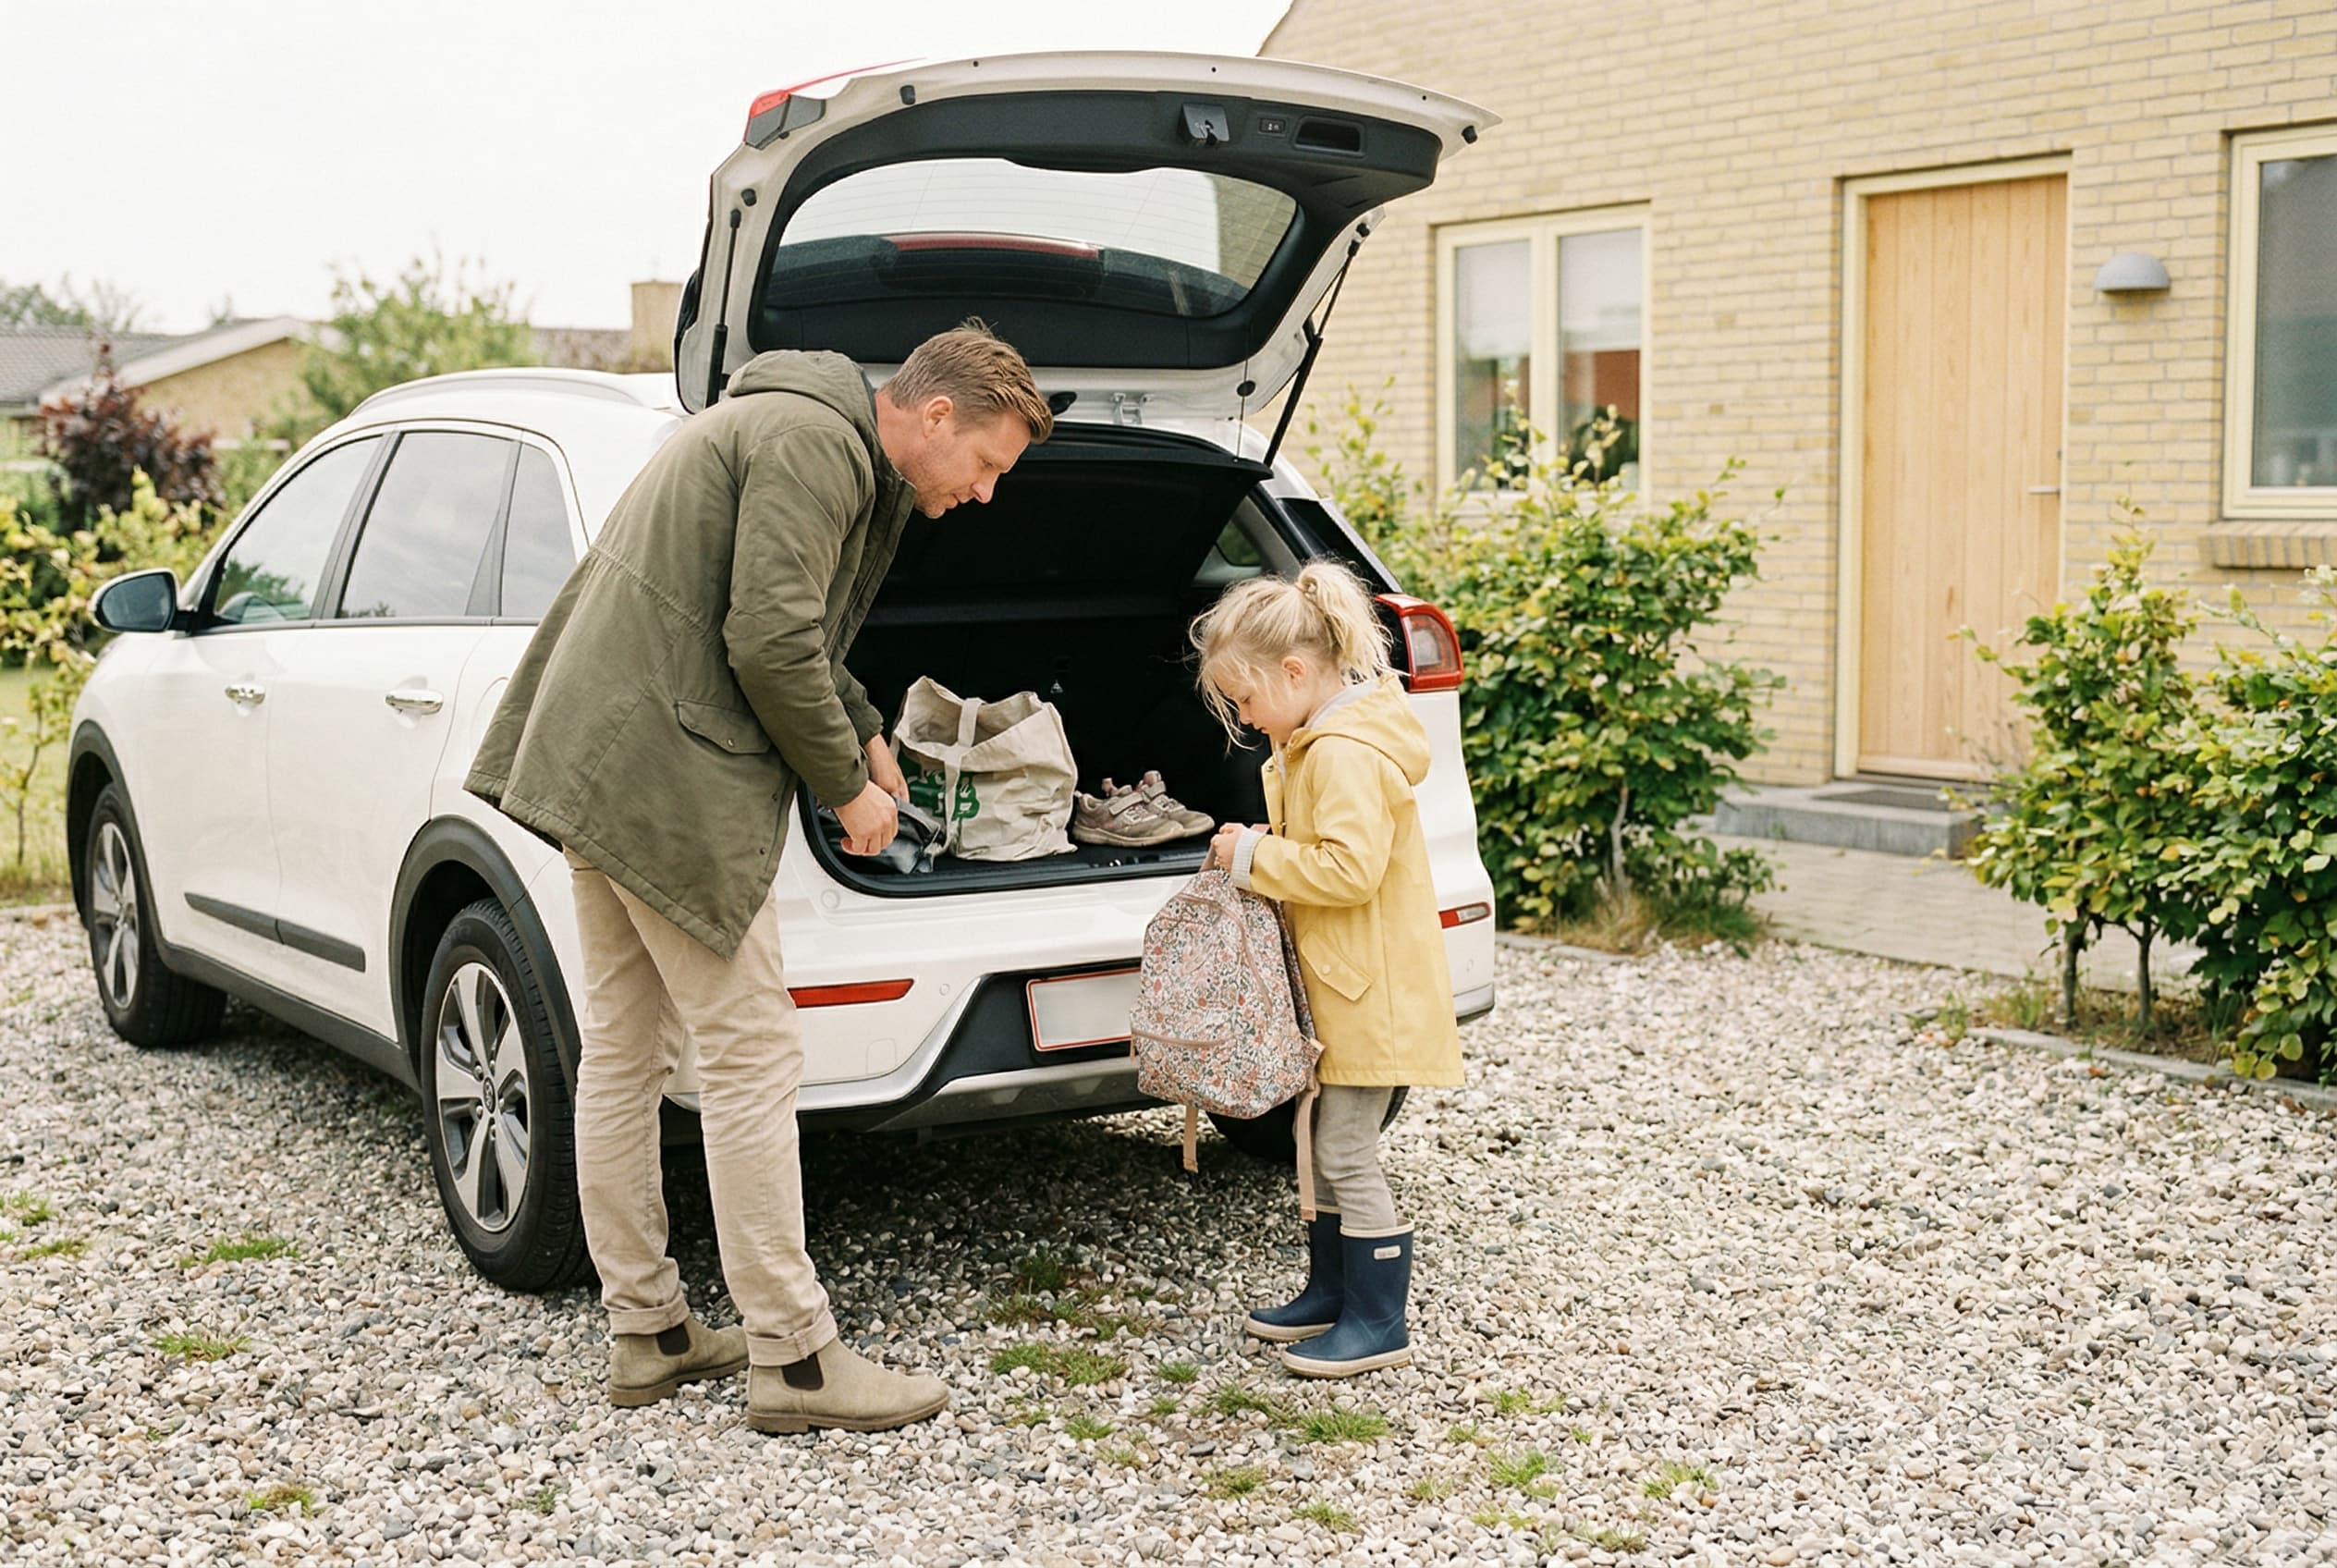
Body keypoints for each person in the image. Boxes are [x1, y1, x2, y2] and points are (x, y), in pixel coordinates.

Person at [466, 323, 1051, 1432]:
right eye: (984, 466)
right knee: (750, 1050)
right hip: (658, 771)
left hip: (602, 755)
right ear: (935, 417)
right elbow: (769, 641)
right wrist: (848, 790)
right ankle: (793, 1356)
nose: (981, 495)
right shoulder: (816, 444)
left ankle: (648, 1327)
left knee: (625, 1048)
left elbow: (806, 636)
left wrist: (870, 732)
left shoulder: (798, 428)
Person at [1190, 562, 1464, 1378]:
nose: (1243, 716)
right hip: (1347, 984)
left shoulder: (1344, 752)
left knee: (1345, 1147)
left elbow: (1349, 870)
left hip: (1369, 992)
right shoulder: (1318, 742)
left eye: (1245, 699)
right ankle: (1333, 1290)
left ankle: (1381, 1320)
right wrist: (1266, 850)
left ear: (1297, 673)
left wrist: (1254, 857)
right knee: (1318, 1137)